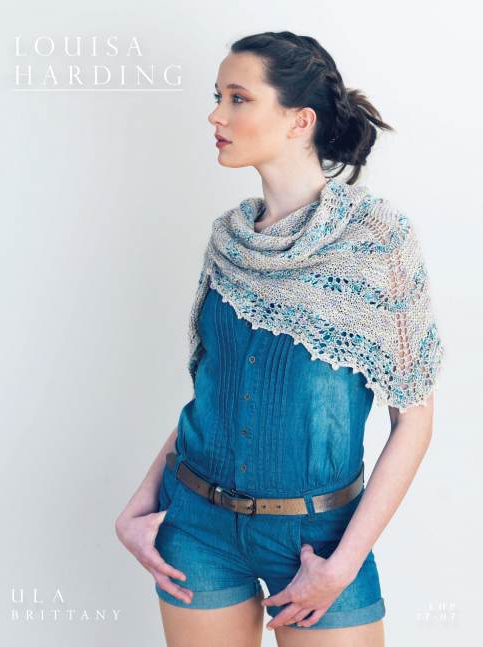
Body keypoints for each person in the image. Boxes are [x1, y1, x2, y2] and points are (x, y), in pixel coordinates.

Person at [115, 31, 444, 647]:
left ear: (300, 120)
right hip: (197, 526)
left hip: (322, 541)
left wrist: (342, 567)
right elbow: (213, 393)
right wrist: (139, 504)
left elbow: (415, 421)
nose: (216, 115)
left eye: (238, 98)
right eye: (217, 97)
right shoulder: (229, 240)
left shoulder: (379, 243)